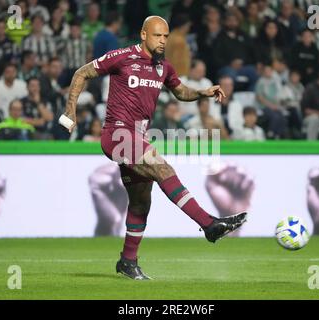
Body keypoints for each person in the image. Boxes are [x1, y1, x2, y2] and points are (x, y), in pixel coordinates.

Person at [61, 16, 247, 280]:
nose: (162, 41)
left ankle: (127, 261)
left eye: (166, 36)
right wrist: (71, 111)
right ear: (144, 34)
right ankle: (209, 223)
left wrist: (202, 92)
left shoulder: (164, 67)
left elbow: (180, 92)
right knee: (163, 168)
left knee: (140, 203)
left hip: (139, 137)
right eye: (158, 36)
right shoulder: (121, 57)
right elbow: (82, 73)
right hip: (117, 134)